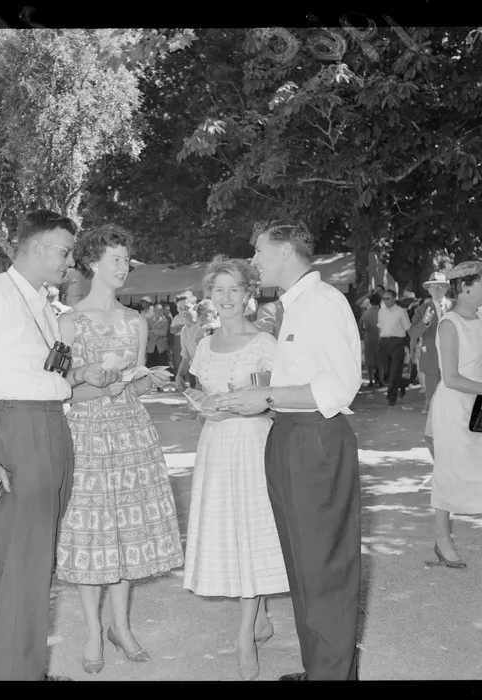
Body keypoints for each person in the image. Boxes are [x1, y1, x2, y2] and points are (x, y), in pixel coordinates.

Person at [0, 209, 118, 681]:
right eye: (65, 251)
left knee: (36, 562)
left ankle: (27, 669)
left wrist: (80, 376)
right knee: (23, 564)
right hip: (18, 432)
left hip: (52, 428)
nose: (69, 262)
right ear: (38, 246)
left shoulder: (44, 306)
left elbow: (46, 375)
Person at [215, 221, 362, 681]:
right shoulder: (294, 306)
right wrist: (260, 390)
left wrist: (268, 398)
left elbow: (341, 386)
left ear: (284, 250)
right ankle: (320, 666)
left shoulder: (323, 302)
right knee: (301, 561)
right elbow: (301, 374)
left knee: (324, 565)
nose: (254, 260)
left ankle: (332, 673)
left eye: (259, 251)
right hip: (289, 436)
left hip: (315, 438)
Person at [55, 223, 183, 676]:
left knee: (127, 530)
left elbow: (136, 382)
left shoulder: (137, 320)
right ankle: (93, 631)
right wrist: (93, 383)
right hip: (87, 433)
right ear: (92, 263)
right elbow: (60, 389)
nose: (124, 267)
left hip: (131, 432)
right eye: (116, 259)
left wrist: (149, 380)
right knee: (93, 533)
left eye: (127, 259)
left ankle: (121, 626)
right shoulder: (67, 322)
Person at [183, 257, 289, 681]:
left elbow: (277, 402)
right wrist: (201, 406)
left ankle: (245, 633)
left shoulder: (265, 343)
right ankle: (260, 616)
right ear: (210, 294)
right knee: (230, 532)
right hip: (215, 446)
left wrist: (247, 409)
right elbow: (200, 396)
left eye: (234, 290)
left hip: (252, 444)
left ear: (248, 295)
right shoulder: (204, 345)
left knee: (253, 531)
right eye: (218, 289)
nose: (225, 298)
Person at [430, 261, 482, 568]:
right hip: (455, 407)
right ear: (465, 287)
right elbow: (451, 378)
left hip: (481, 404)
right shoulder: (449, 324)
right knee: (449, 471)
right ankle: (443, 541)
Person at [408, 272, 454, 416]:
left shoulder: (456, 306)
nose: (437, 290)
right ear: (428, 290)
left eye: (440, 286)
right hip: (431, 356)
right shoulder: (421, 310)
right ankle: (431, 412)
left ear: (446, 288)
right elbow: (413, 333)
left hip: (453, 355)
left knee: (452, 389)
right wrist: (425, 322)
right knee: (432, 392)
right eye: (433, 287)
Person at [377, 289, 411, 406]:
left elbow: (408, 329)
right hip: (384, 342)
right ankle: (402, 384)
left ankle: (391, 397)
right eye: (384, 298)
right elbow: (380, 327)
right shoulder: (381, 311)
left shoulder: (401, 312)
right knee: (388, 372)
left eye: (388, 298)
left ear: (394, 299)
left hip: (397, 342)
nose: (385, 301)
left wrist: (409, 346)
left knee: (395, 370)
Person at [175, 292, 201, 391]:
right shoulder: (184, 331)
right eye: (180, 309)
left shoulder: (205, 326)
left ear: (195, 307)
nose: (183, 312)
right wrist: (179, 375)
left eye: (186, 308)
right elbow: (186, 358)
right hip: (199, 381)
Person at [359, 293, 383, 387]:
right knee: (380, 360)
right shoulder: (382, 312)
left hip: (369, 337)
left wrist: (364, 331)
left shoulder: (366, 312)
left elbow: (360, 324)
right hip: (380, 337)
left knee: (369, 360)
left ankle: (371, 380)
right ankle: (381, 380)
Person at [146, 302, 170, 367]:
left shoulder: (165, 320)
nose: (160, 311)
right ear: (154, 310)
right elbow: (147, 332)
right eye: (158, 309)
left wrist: (153, 331)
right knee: (151, 367)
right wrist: (159, 333)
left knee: (162, 367)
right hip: (151, 348)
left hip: (162, 348)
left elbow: (164, 332)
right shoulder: (148, 320)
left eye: (161, 309)